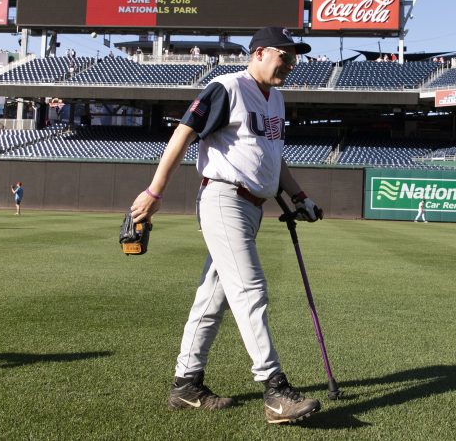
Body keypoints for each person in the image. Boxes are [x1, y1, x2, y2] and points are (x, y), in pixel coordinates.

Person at [129, 26, 324, 425]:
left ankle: (186, 385)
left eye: (294, 57)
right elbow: (183, 134)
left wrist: (299, 196)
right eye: (283, 56)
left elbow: (272, 157)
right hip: (224, 198)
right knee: (250, 289)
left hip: (253, 206)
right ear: (258, 53)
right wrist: (154, 192)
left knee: (212, 298)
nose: (290, 63)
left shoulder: (278, 99)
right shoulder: (227, 87)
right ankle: (274, 391)